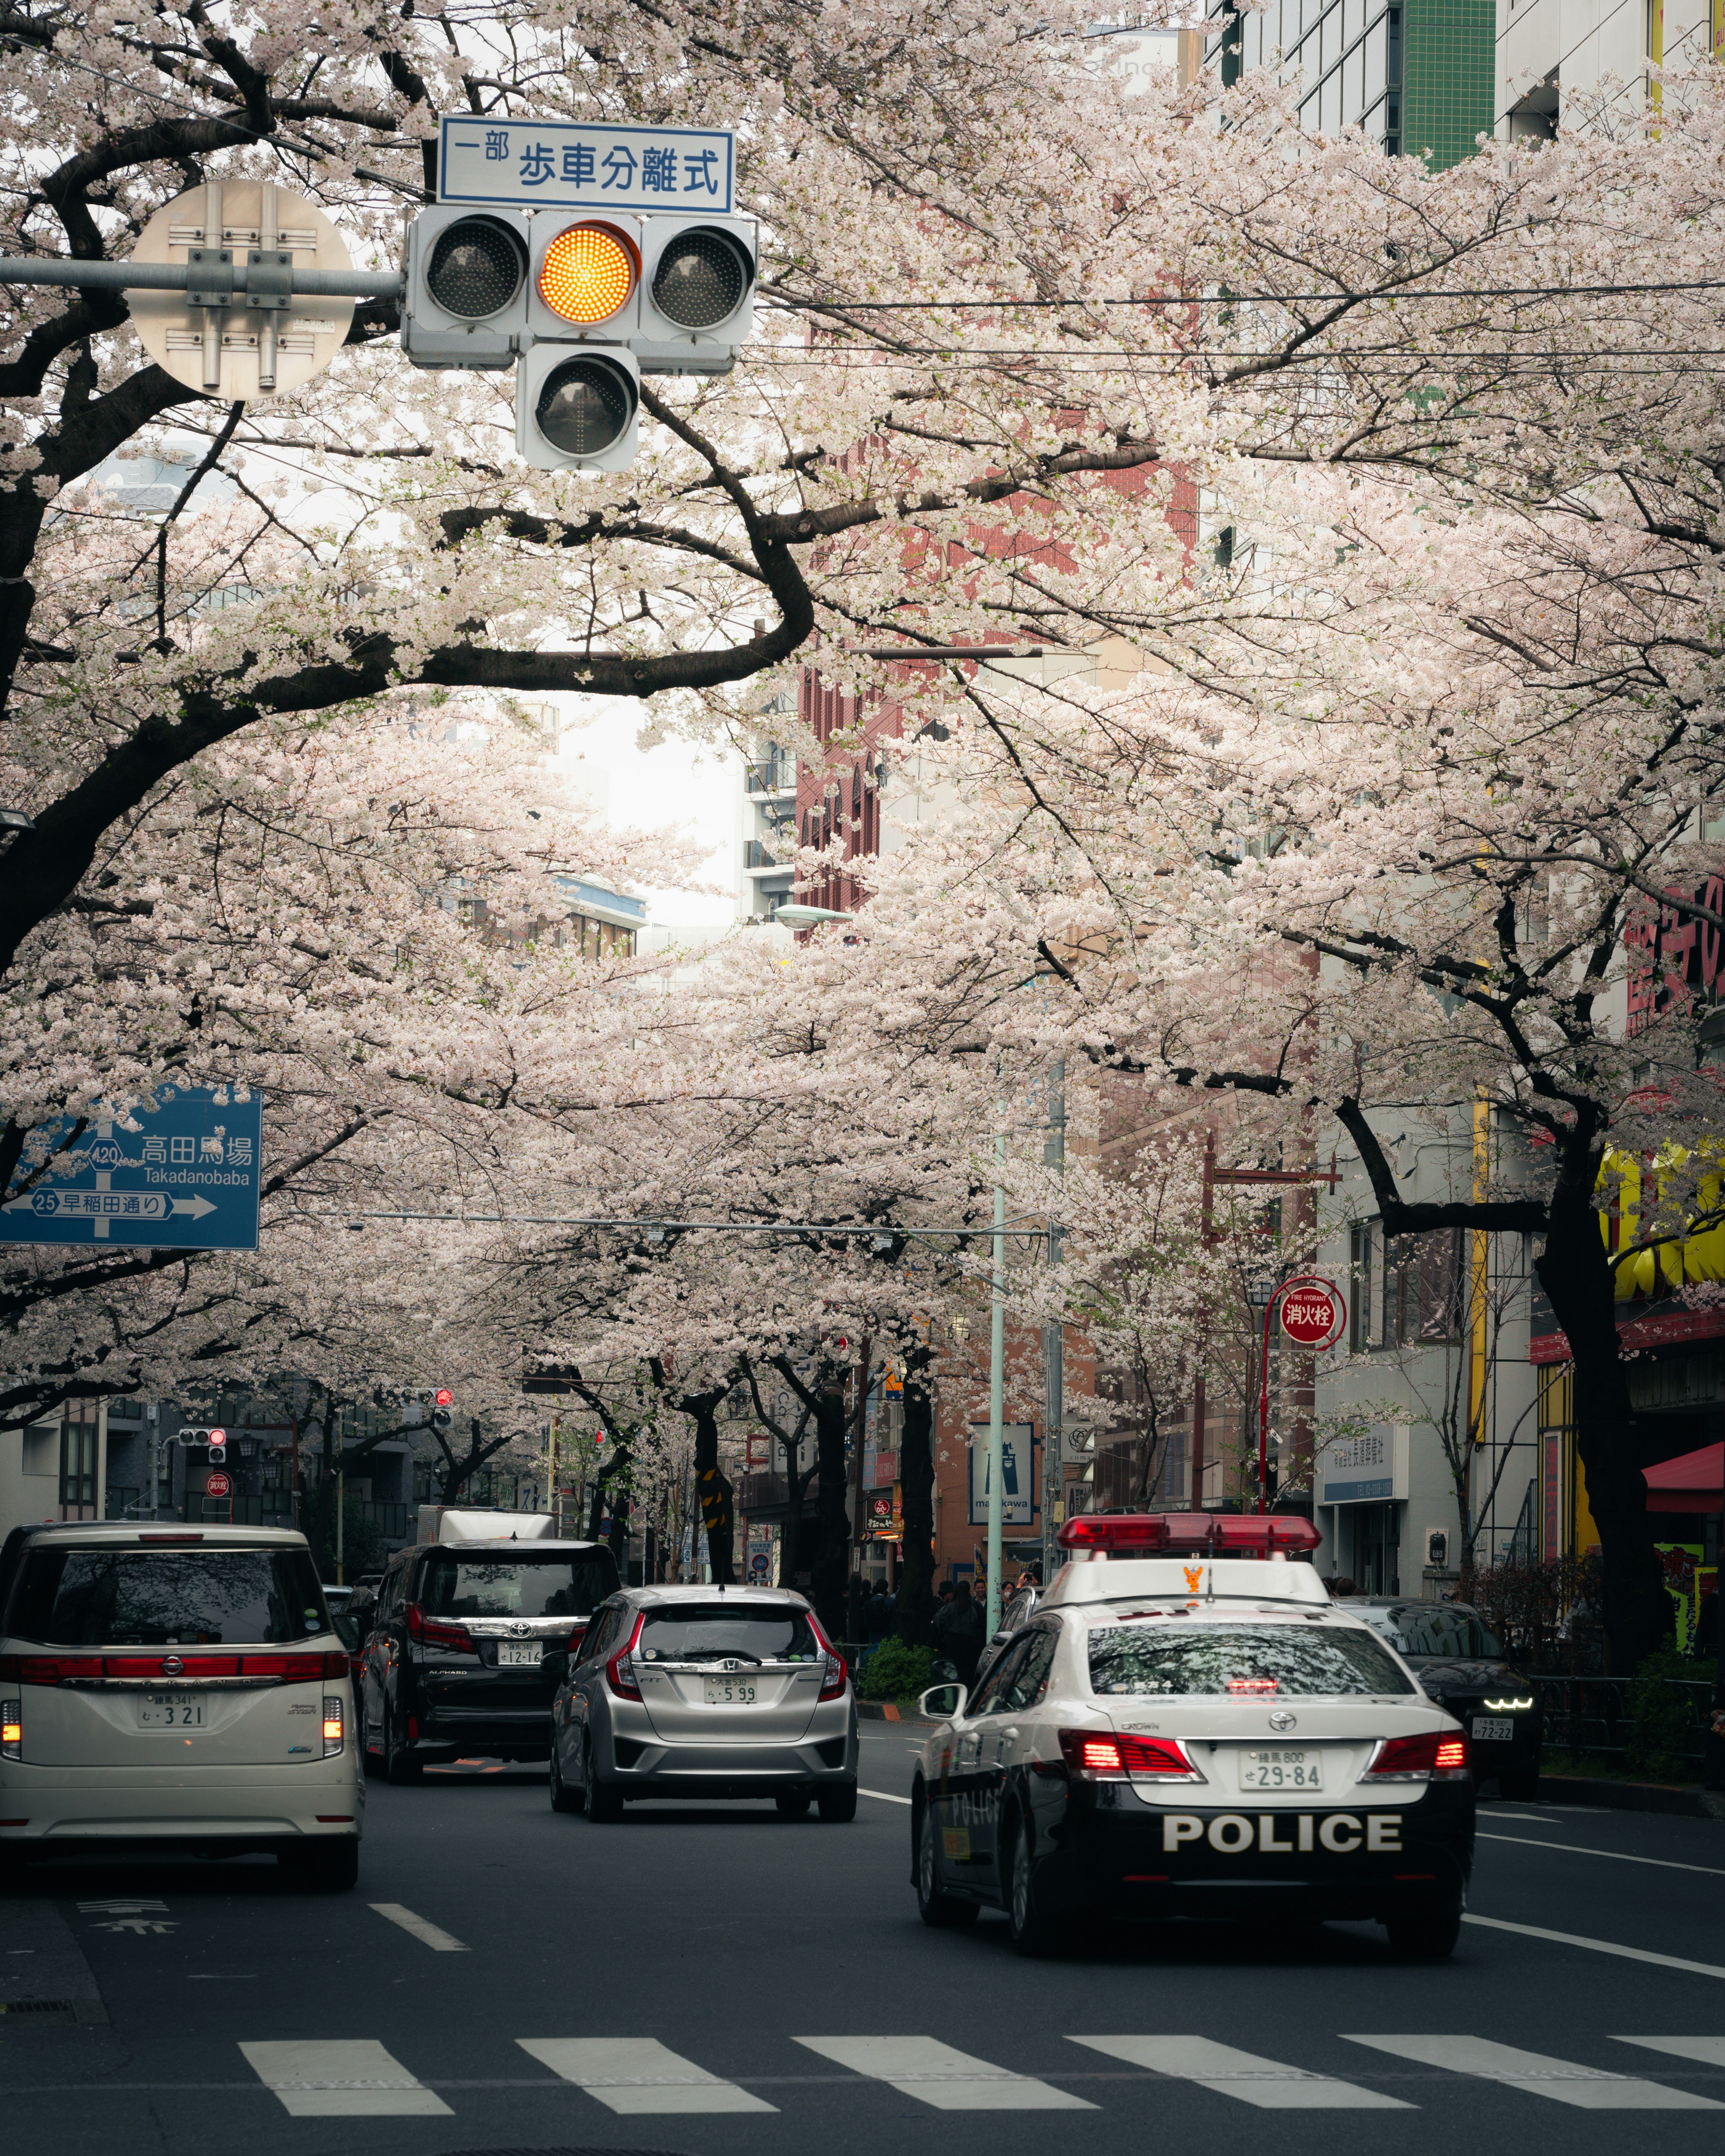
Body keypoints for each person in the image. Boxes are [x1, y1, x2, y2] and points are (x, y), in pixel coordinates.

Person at [933, 1576, 986, 1687]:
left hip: (952, 1642)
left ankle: (951, 1688)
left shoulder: (950, 1607)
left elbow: (939, 1620)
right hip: (969, 1643)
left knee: (952, 1668)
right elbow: (979, 1623)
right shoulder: (973, 1607)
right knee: (967, 1669)